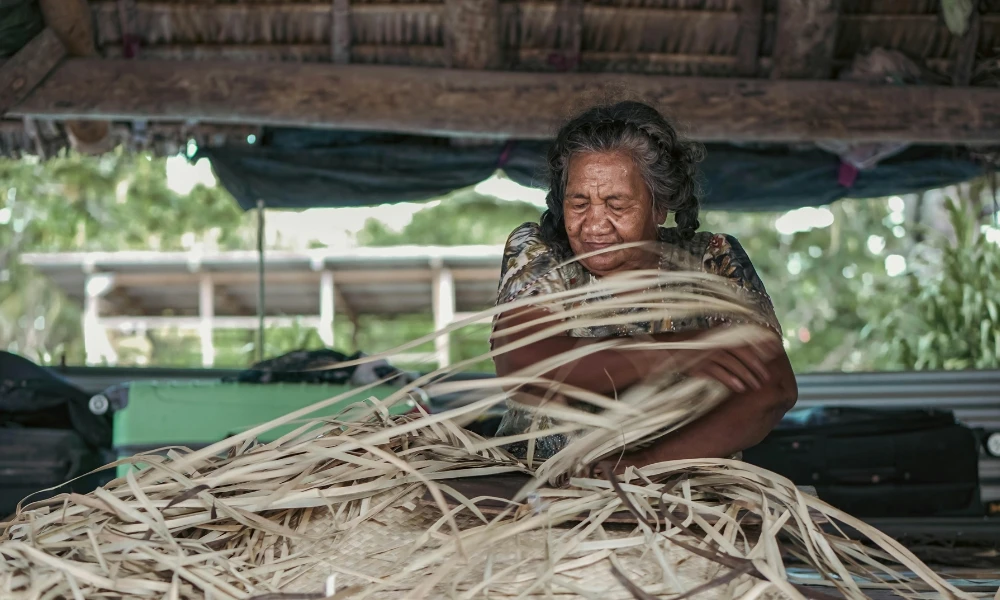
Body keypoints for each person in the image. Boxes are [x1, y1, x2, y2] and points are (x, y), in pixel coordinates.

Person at [491, 100, 797, 467]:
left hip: (677, 498)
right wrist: (678, 351)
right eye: (579, 203)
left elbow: (772, 389)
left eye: (616, 205)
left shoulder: (712, 261)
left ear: (659, 205)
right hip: (536, 488)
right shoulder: (541, 254)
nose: (594, 225)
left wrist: (644, 465)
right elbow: (525, 368)